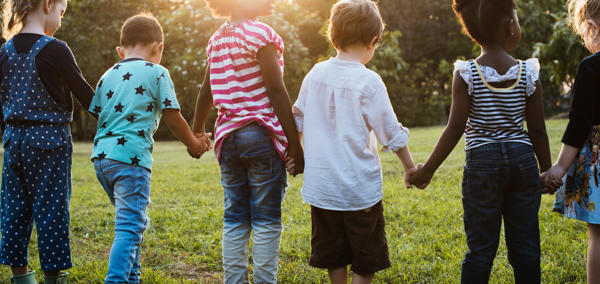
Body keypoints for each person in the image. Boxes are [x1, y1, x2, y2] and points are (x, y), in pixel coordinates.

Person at [409, 0, 553, 283]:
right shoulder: (528, 72)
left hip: (482, 163)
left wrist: (427, 171)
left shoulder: (467, 73)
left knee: (480, 249)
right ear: (510, 26)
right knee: (526, 248)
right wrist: (546, 170)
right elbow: (537, 130)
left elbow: (454, 128)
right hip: (522, 161)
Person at [286, 1, 416, 283]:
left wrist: (295, 152)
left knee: (334, 252)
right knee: (365, 255)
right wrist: (409, 167)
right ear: (373, 41)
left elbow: (296, 119)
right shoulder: (369, 82)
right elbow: (391, 132)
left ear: (333, 35)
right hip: (360, 191)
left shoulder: (315, 74)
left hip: (322, 190)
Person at [89, 13, 210, 284]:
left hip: (102, 160)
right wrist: (194, 143)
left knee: (132, 224)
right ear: (159, 48)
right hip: (131, 161)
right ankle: (116, 280)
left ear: (121, 50)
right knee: (130, 228)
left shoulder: (107, 75)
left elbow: (99, 112)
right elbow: (172, 116)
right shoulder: (157, 72)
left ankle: (132, 278)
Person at [191, 0, 304, 282]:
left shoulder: (216, 39)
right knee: (266, 218)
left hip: (227, 139)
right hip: (260, 135)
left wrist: (197, 130)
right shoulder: (261, 34)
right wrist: (294, 143)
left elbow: (207, 91)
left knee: (235, 216)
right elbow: (277, 91)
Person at [0, 0, 96, 283]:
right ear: (47, 4)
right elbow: (87, 96)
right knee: (51, 210)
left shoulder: (3, 52)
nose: (61, 20)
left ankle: (22, 278)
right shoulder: (57, 49)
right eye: (61, 12)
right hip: (49, 142)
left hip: (13, 141)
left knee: (14, 209)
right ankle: (53, 279)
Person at [542, 0, 600, 282]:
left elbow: (579, 124)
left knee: (598, 235)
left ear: (592, 26)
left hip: (598, 164)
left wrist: (559, 168)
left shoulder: (591, 67)